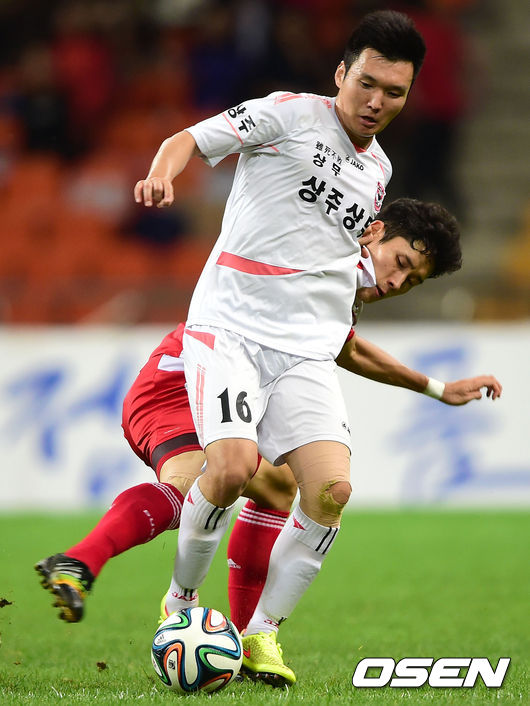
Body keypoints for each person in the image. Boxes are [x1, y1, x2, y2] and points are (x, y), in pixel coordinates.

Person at [34, 200, 501, 640]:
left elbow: (349, 350)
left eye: (412, 281)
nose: (397, 282)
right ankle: (83, 561)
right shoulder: (319, 253)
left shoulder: (338, 288)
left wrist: (437, 388)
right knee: (200, 479)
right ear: (374, 233)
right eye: (400, 262)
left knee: (278, 486)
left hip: (221, 381)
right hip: (179, 379)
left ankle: (247, 639)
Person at [132, 9, 433, 686]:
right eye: (367, 83)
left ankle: (262, 633)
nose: (377, 101)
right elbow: (189, 138)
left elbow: (326, 255)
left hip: (301, 348)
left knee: (331, 489)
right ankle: (181, 601)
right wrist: (162, 173)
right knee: (232, 468)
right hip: (231, 328)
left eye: (394, 92)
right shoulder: (288, 113)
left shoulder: (378, 171)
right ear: (341, 74)